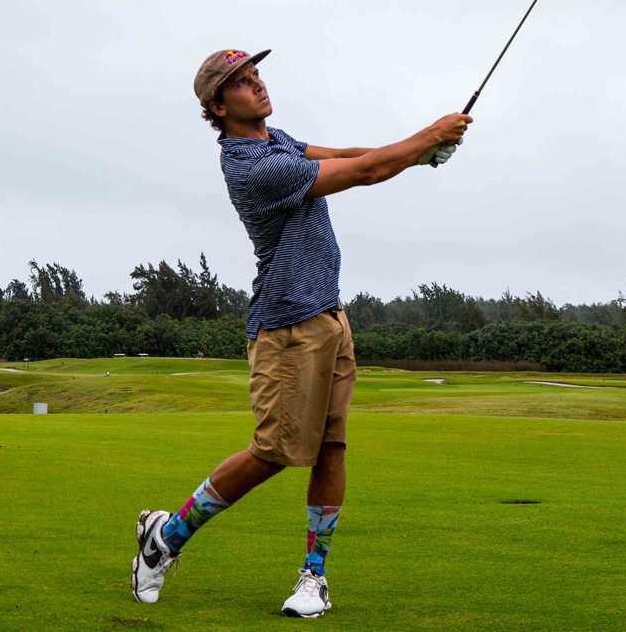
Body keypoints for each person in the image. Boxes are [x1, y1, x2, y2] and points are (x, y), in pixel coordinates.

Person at [130, 48, 471, 617]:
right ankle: (166, 539)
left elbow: (347, 154)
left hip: (331, 319)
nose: (257, 86)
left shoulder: (277, 141)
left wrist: (422, 152)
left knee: (331, 451)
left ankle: (313, 579)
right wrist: (430, 133)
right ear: (217, 105)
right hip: (286, 327)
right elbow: (361, 172)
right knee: (272, 452)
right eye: (241, 83)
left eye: (257, 75)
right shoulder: (254, 167)